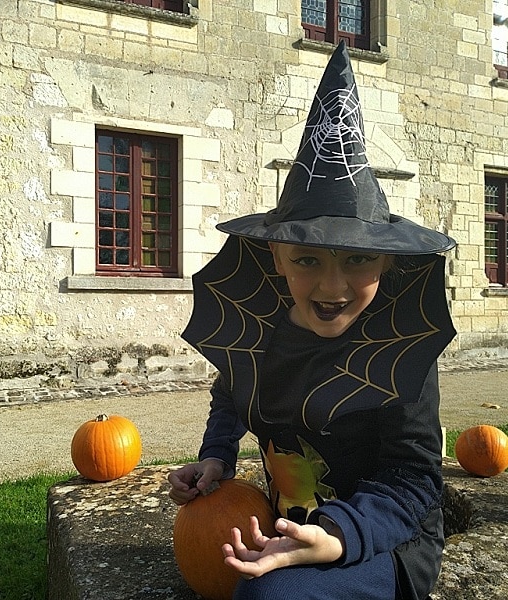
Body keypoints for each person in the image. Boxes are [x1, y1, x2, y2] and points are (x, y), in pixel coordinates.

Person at [169, 41, 457, 600]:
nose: (331, 287)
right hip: (286, 524)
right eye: (307, 260)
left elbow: (415, 478)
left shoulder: (401, 354)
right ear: (276, 258)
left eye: (358, 260)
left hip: (383, 542)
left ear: (387, 260)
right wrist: (216, 456)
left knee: (266, 597)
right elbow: (232, 394)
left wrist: (335, 536)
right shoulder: (261, 333)